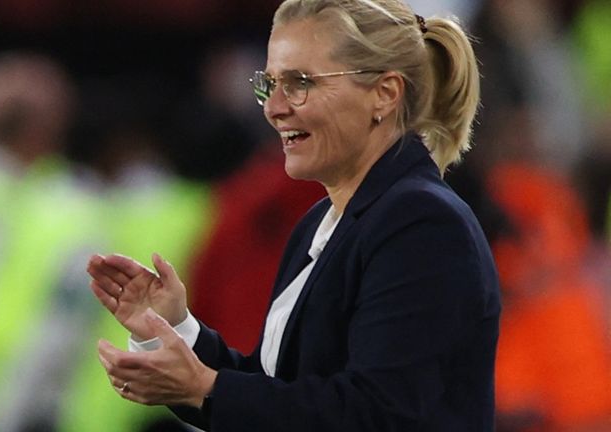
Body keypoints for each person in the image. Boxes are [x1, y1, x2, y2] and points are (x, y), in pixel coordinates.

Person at [87, 0, 501, 430]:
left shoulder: (421, 223)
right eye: (269, 84)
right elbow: (280, 390)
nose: (274, 107)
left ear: (385, 93)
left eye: (300, 83)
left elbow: (379, 414)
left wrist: (205, 388)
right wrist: (174, 328)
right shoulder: (321, 221)